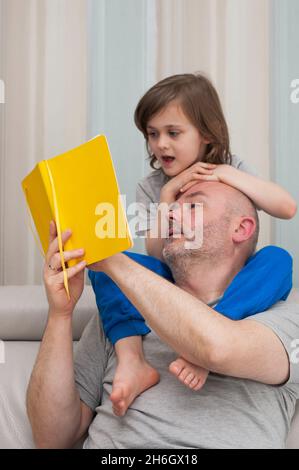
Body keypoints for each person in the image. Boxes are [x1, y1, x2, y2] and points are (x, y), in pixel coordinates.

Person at [26, 181, 299, 449]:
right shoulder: (122, 313)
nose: (169, 212)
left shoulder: (284, 320)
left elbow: (218, 348)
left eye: (193, 206)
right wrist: (60, 314)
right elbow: (51, 438)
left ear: (240, 228)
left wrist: (111, 259)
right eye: (170, 207)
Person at [94, 73, 297, 415]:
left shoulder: (231, 168)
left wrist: (226, 176)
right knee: (110, 265)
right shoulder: (154, 185)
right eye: (153, 134)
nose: (161, 145)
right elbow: (157, 255)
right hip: (178, 277)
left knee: (278, 259)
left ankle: (216, 325)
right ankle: (132, 360)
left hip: (231, 282)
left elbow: (287, 208)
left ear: (205, 133)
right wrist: (167, 196)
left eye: (173, 133)